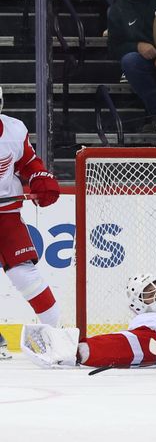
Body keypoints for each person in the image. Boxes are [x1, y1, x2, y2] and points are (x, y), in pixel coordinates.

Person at [21, 274, 156, 368]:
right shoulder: (146, 324)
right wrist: (80, 351)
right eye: (148, 292)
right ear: (138, 305)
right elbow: (127, 344)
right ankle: (69, 349)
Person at [0, 86, 61, 359]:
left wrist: (40, 178)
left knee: (26, 276)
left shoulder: (14, 130)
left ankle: (52, 335)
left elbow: (29, 162)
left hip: (7, 215)